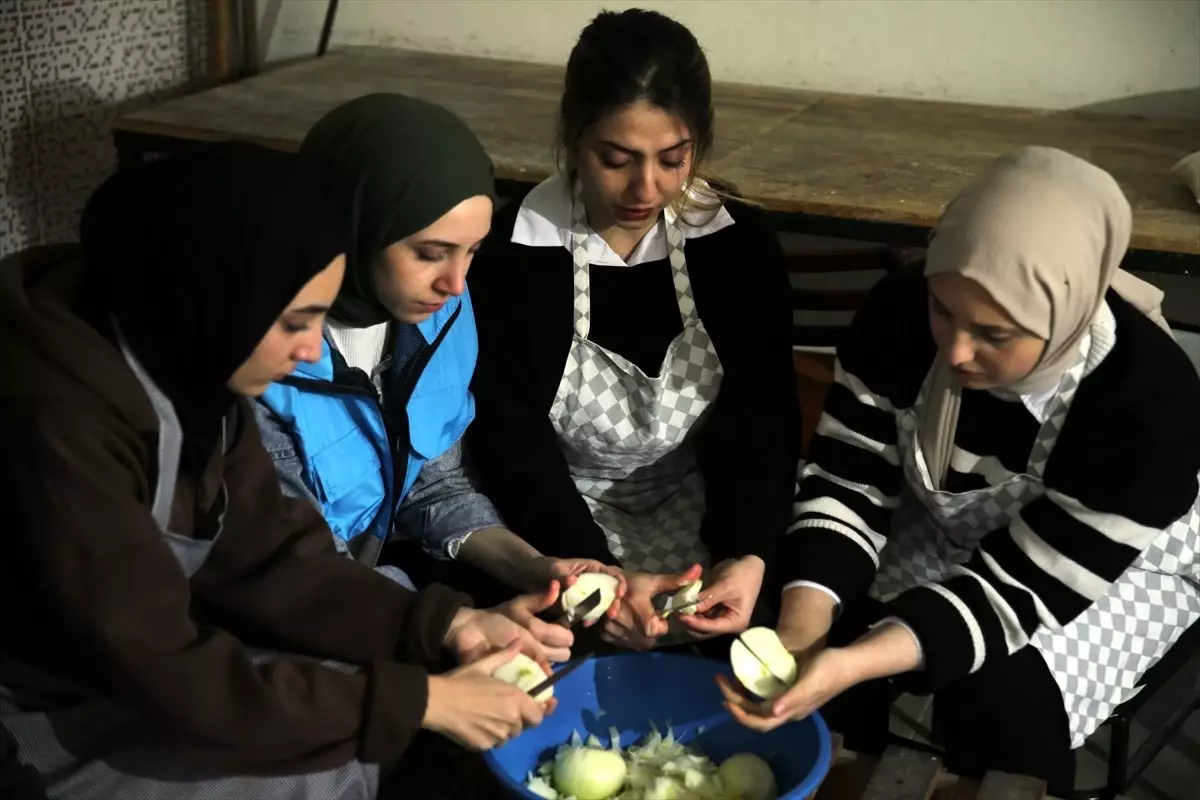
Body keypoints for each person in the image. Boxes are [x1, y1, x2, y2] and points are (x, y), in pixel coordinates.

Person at [0, 142, 552, 799]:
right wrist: (423, 702)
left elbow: (272, 556)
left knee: (342, 726)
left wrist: (442, 626)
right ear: (211, 294)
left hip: (128, 666)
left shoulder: (189, 361)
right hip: (35, 710)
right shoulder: (55, 420)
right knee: (313, 772)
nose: (313, 348)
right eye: (296, 321)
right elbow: (159, 670)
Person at [720, 147, 1200, 792]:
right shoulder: (897, 314)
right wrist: (802, 636)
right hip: (947, 510)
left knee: (1002, 697)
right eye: (943, 311)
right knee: (817, 610)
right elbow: (848, 484)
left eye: (996, 334)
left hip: (1108, 562)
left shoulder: (1148, 406)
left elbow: (1019, 591)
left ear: (1070, 314)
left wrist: (854, 663)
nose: (956, 350)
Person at [467, 8, 801, 652]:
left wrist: (746, 553)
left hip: (698, 498)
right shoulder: (514, 255)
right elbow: (510, 444)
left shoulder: (736, 247)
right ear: (572, 135)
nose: (646, 188)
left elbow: (762, 422)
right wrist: (598, 579)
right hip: (555, 519)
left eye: (673, 160)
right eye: (616, 159)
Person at [254, 94, 625, 639]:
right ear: (354, 226)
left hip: (371, 595)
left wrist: (534, 566)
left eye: (472, 250)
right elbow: (294, 577)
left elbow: (434, 486)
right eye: (430, 253)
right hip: (282, 624)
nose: (455, 283)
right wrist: (454, 629)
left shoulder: (438, 314)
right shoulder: (265, 352)